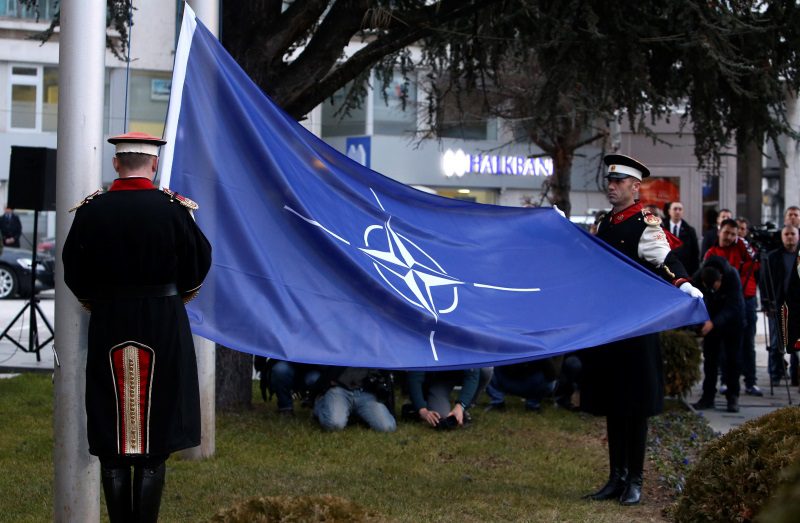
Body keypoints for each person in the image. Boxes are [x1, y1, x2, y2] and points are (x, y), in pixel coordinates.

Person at [62, 132, 212, 523]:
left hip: (110, 318)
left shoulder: (91, 211)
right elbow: (199, 263)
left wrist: (101, 301)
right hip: (163, 319)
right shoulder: (174, 209)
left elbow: (73, 270)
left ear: (116, 163)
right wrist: (170, 298)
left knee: (112, 431)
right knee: (156, 431)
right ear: (154, 163)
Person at [580, 154, 702, 506]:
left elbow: (663, 257)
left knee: (634, 407)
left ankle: (635, 479)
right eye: (609, 181)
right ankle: (615, 477)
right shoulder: (606, 223)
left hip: (636, 327)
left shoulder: (645, 221)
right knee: (614, 404)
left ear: (635, 187)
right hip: (611, 326)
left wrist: (683, 282)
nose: (611, 186)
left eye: (618, 182)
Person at [704, 218, 761, 396]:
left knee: (747, 344)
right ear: (719, 231)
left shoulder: (741, 247)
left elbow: (755, 263)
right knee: (722, 349)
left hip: (745, 299)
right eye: (727, 232)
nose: (729, 237)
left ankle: (750, 382)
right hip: (722, 305)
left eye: (733, 234)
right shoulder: (711, 253)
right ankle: (725, 382)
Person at [691, 256, 745, 413]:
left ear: (720, 278)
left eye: (715, 286)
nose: (714, 290)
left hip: (733, 322)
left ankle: (732, 396)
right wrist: (700, 323)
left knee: (732, 360)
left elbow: (733, 306)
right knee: (710, 360)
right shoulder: (698, 277)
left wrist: (713, 323)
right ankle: (708, 397)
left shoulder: (732, 276)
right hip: (711, 321)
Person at [761, 225, 800, 386]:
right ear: (782, 236)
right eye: (786, 234)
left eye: (793, 234)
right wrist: (766, 302)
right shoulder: (773, 257)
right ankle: (774, 374)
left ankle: (795, 376)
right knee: (777, 342)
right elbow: (764, 282)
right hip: (777, 305)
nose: (790, 237)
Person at [311, 366, 396, 432]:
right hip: (340, 389)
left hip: (366, 392)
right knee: (334, 424)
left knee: (388, 427)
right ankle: (321, 405)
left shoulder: (375, 345)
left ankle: (351, 412)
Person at [407, 369, 479, 428]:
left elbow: (472, 375)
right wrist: (422, 409)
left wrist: (461, 405)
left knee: (485, 371)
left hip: (460, 371)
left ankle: (464, 409)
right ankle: (419, 406)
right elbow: (414, 376)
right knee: (441, 417)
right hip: (438, 377)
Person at [664, 201, 700, 276]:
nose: (677, 212)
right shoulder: (662, 228)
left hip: (684, 270)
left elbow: (695, 253)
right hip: (665, 269)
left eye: (680, 209)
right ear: (669, 211)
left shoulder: (690, 230)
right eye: (675, 209)